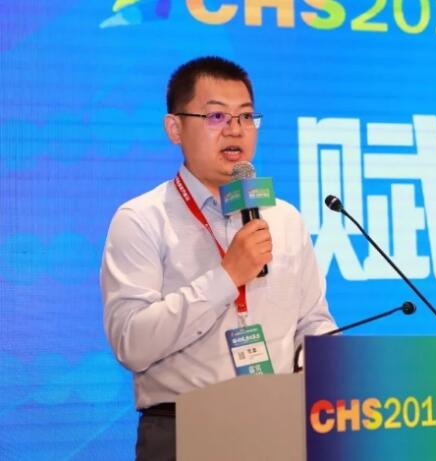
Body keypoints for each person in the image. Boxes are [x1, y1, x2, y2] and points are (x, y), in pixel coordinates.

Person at [100, 56, 336, 461]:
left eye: (245, 117)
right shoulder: (141, 219)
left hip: (278, 428)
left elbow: (313, 323)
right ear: (175, 128)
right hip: (184, 428)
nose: (235, 129)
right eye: (216, 116)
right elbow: (131, 343)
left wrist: (338, 374)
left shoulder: (284, 218)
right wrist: (226, 277)